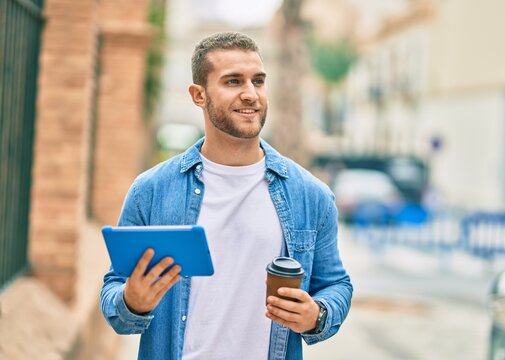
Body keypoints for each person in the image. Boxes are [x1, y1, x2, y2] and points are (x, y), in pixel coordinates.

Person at [100, 31, 353, 360]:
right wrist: (132, 301)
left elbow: (337, 285)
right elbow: (113, 291)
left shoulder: (310, 194)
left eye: (258, 81)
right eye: (233, 81)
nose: (251, 94)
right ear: (198, 95)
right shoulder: (151, 190)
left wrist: (317, 314)